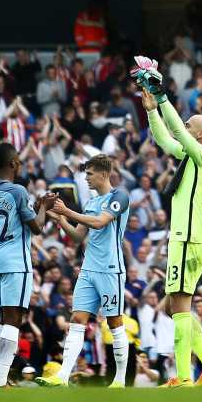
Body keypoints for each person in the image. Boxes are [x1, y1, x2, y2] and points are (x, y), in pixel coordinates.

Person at [136, 64, 202, 388]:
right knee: (177, 305)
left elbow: (175, 129)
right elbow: (165, 139)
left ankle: (182, 376)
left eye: (190, 125)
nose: (184, 126)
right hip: (188, 239)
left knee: (178, 305)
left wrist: (163, 98)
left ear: (200, 135)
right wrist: (152, 111)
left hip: (188, 238)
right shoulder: (192, 158)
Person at [35, 154, 131, 388]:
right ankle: (63, 377)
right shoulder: (91, 202)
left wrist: (67, 212)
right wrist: (59, 219)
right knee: (77, 319)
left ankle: (119, 380)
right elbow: (79, 236)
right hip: (88, 268)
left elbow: (99, 223)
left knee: (115, 322)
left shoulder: (119, 196)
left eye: (89, 173)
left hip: (111, 270)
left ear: (104, 174)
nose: (85, 178)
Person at [0, 143, 53, 387]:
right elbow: (36, 228)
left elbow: (15, 219)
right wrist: (43, 207)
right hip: (15, 259)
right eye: (19, 160)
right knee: (14, 319)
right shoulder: (18, 191)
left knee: (3, 319)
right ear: (13, 163)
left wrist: (34, 210)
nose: (21, 164)